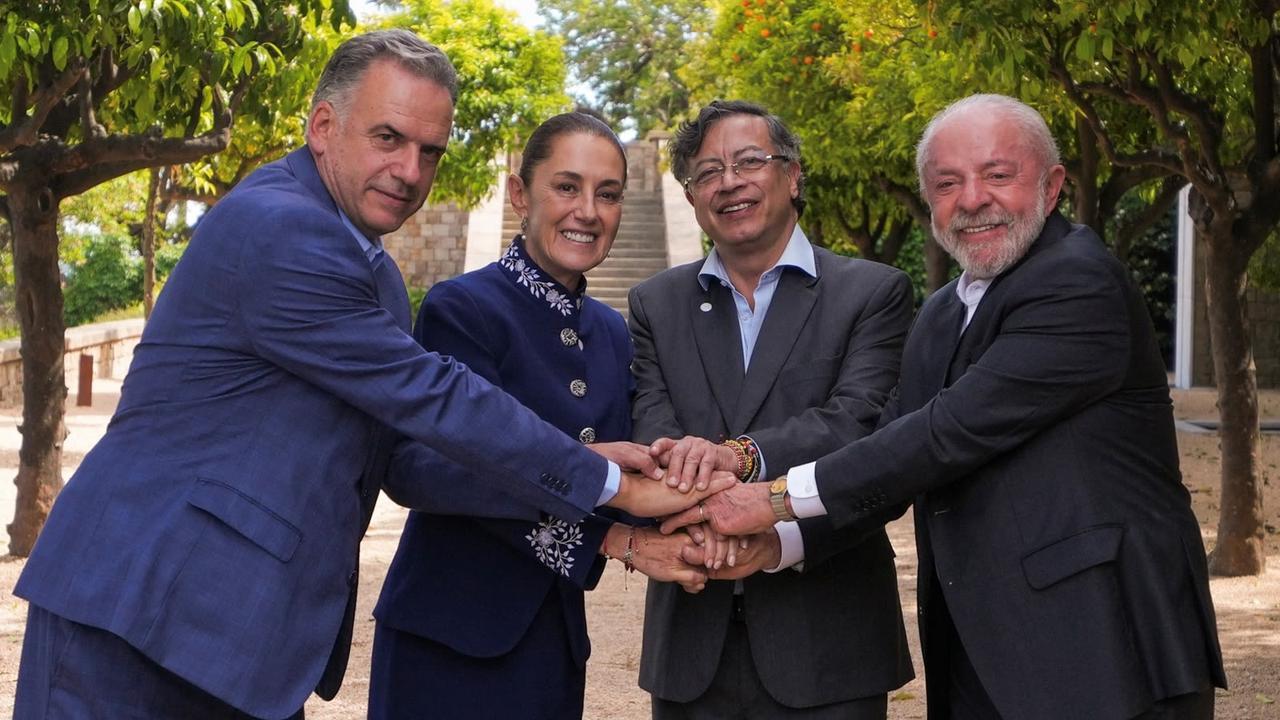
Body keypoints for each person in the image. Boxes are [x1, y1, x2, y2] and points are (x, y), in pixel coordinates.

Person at [12, 31, 726, 720]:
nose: (410, 170)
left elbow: (405, 451)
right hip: (140, 614)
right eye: (388, 138)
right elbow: (433, 397)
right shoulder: (283, 227)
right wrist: (614, 489)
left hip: (244, 636)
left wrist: (609, 468)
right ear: (323, 125)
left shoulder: (377, 273)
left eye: (430, 151)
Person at [669, 94, 1227, 720]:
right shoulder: (941, 312)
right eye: (947, 183)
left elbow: (945, 434)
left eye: (997, 174)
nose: (972, 199)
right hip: (980, 648)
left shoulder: (1080, 281)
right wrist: (782, 545)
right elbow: (888, 443)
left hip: (1103, 646)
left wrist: (770, 499)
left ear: (1052, 185)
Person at [368, 111, 711, 720]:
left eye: (607, 195)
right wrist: (615, 539)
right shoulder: (463, 308)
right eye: (567, 186)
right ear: (518, 194)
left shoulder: (611, 333)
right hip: (448, 636)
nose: (588, 211)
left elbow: (631, 472)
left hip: (551, 641)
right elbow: (429, 472)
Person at [628, 100, 916, 719]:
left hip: (829, 638)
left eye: (749, 161)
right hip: (691, 634)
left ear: (793, 175)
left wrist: (741, 457)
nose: (729, 182)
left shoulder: (872, 293)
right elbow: (652, 428)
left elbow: (857, 423)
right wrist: (703, 511)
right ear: (690, 196)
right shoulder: (655, 303)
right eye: (708, 172)